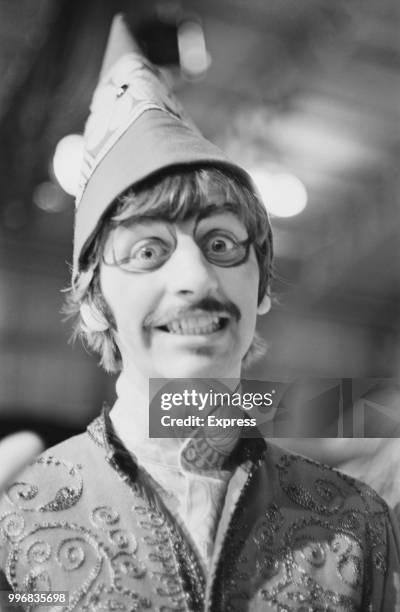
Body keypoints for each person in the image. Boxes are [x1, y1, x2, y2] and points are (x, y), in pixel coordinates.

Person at [0, 13, 400, 611]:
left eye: (221, 244)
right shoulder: (16, 514)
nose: (195, 278)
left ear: (260, 286)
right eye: (147, 250)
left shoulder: (357, 524)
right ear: (93, 303)